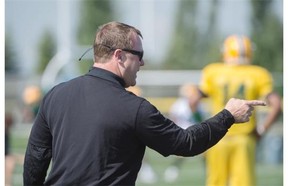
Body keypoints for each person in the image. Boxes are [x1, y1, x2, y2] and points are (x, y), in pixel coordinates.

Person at [23, 22, 266, 186]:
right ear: (119, 55)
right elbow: (186, 143)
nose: (143, 62)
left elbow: (36, 158)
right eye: (138, 56)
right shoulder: (134, 107)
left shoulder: (55, 95)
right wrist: (228, 115)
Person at [193, 35, 282, 186]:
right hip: (244, 139)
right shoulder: (258, 73)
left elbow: (193, 100)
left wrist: (201, 130)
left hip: (216, 138)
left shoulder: (213, 71)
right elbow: (277, 105)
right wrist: (261, 130)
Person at [164, 83, 205, 182]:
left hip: (196, 133)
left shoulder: (199, 106)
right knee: (180, 155)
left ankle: (209, 170)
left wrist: (194, 110)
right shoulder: (179, 105)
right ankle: (173, 170)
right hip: (182, 133)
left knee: (206, 153)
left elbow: (200, 120)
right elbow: (172, 120)